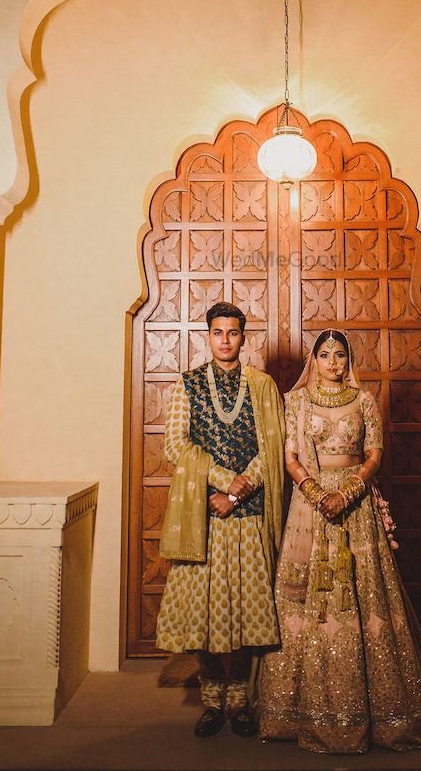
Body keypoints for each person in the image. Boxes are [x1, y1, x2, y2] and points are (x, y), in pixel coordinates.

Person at [260, 328, 421, 754]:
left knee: (365, 595)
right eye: (324, 354)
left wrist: (346, 491)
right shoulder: (297, 401)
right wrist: (314, 492)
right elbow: (289, 456)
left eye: (339, 355)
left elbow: (375, 454)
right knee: (310, 598)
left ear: (348, 360)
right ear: (315, 359)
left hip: (356, 504)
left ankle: (382, 714)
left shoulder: (364, 401)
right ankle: (294, 714)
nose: (332, 362)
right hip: (309, 508)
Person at [156, 302, 285, 738]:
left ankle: (241, 702)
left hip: (247, 515)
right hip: (204, 515)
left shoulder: (263, 386)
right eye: (217, 332)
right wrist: (223, 484)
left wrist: (240, 490)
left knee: (249, 615)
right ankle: (212, 702)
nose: (225, 339)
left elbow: (273, 446)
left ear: (244, 338)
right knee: (202, 617)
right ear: (206, 336)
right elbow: (176, 444)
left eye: (233, 332)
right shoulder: (188, 384)